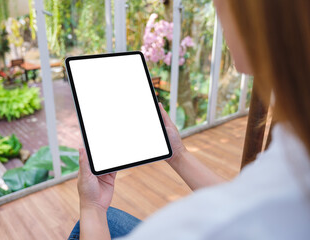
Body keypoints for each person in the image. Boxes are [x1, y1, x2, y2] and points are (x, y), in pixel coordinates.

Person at [68, 0, 310, 239]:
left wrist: (93, 207)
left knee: (92, 222)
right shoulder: (296, 143)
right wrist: (178, 154)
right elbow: (248, 199)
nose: (218, 12)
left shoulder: (196, 227)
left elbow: (244, 209)